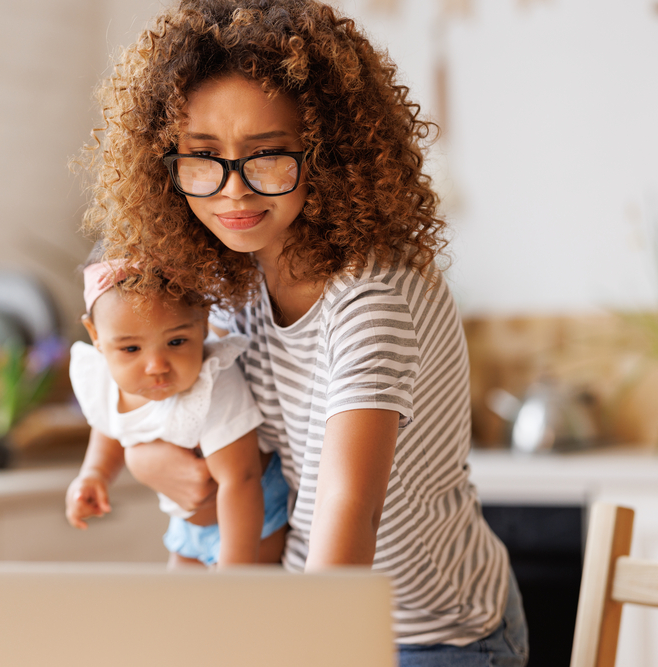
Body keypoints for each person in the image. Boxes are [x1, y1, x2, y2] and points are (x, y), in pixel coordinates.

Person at [76, 0, 529, 664]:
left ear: (328, 153)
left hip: (432, 631)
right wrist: (141, 457)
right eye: (203, 157)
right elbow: (189, 423)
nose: (233, 192)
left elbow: (350, 507)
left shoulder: (373, 296)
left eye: (267, 156)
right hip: (306, 607)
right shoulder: (226, 281)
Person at [64, 253, 290, 567]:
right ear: (96, 336)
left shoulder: (212, 384)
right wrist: (94, 474)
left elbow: (241, 479)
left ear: (203, 321)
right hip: (187, 524)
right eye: (131, 349)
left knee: (238, 612)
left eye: (176, 341)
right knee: (177, 608)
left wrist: (235, 574)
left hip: (253, 520)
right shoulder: (103, 379)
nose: (156, 366)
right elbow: (110, 425)